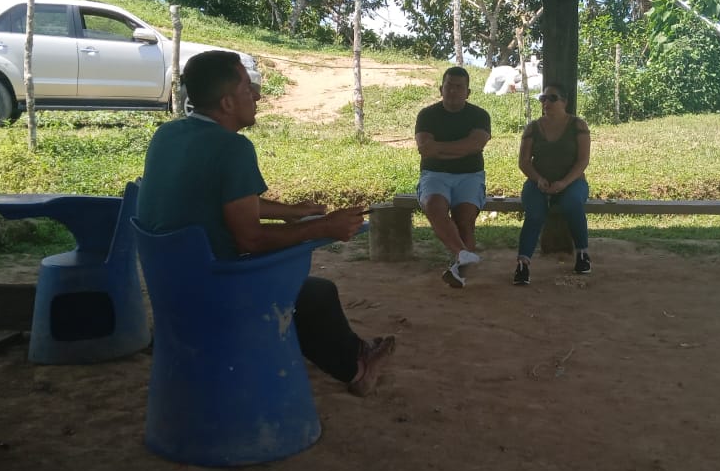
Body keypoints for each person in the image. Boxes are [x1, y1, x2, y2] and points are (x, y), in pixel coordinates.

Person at [136, 50, 395, 396]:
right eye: (248, 88)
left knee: (308, 292)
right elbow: (251, 241)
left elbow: (222, 202)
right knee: (315, 294)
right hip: (214, 292)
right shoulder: (233, 148)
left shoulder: (168, 136)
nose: (257, 96)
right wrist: (324, 228)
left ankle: (357, 352)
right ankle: (358, 368)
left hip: (172, 289)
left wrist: (293, 212)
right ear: (228, 103)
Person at [414, 66, 492, 288]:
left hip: (470, 176)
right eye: (449, 86)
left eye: (459, 87)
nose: (453, 91)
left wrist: (440, 148)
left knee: (465, 220)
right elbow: (425, 148)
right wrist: (462, 148)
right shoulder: (427, 115)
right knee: (434, 206)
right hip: (434, 174)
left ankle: (460, 272)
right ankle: (463, 254)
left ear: (468, 92)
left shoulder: (480, 115)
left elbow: (475, 144)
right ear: (441, 89)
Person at [514, 85, 591, 285]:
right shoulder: (533, 128)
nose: (546, 102)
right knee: (535, 213)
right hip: (538, 182)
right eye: (543, 98)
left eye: (552, 98)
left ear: (564, 102)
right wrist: (538, 179)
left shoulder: (578, 125)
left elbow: (583, 161)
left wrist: (564, 182)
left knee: (572, 203)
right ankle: (523, 264)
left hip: (573, 182)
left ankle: (582, 253)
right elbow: (524, 162)